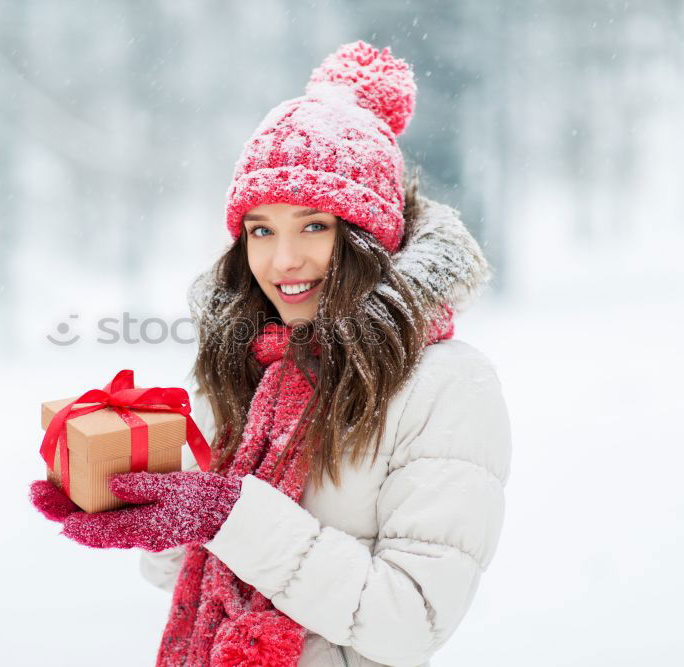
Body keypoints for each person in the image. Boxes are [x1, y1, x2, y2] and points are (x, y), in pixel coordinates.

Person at [30, 40, 511, 667]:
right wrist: (141, 501)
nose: (283, 261)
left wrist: (227, 513)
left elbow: (409, 620)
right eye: (262, 229)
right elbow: (185, 575)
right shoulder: (248, 362)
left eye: (314, 226)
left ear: (371, 236)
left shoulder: (444, 386)